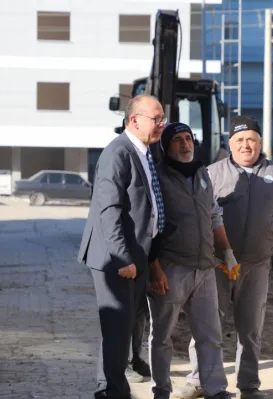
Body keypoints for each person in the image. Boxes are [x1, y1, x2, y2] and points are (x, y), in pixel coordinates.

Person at [179, 115, 273, 399]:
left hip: (257, 265)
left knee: (251, 329)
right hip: (216, 266)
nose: (246, 146)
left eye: (252, 140)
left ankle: (249, 385)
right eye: (240, 140)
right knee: (206, 325)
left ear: (260, 143)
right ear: (230, 143)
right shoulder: (211, 173)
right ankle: (198, 379)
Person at [77, 94, 166, 399]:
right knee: (117, 331)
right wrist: (121, 256)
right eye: (156, 119)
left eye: (162, 119)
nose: (161, 125)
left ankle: (107, 389)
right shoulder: (118, 153)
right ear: (134, 120)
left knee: (121, 330)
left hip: (136, 257)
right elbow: (108, 209)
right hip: (116, 259)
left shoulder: (143, 152)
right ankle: (114, 392)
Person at [147, 122, 234, 399]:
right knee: (162, 336)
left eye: (188, 139)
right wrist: (155, 267)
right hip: (170, 268)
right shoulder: (157, 178)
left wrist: (227, 252)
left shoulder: (202, 174)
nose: (185, 145)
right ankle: (161, 389)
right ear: (166, 146)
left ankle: (215, 388)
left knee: (210, 335)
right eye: (177, 140)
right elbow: (147, 224)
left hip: (205, 269)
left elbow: (214, 215)